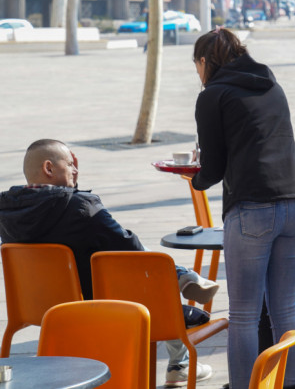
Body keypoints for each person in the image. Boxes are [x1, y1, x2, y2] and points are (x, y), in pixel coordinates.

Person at [0, 139, 220, 388]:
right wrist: (76, 193)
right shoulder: (81, 207)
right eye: (70, 164)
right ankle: (180, 353)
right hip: (97, 306)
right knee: (144, 266)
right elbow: (130, 246)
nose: (75, 170)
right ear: (49, 168)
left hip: (37, 308)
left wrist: (72, 186)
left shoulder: (7, 213)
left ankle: (181, 279)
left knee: (125, 260)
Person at [191, 28, 295, 389]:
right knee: (285, 308)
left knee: (244, 315)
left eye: (196, 65)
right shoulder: (270, 84)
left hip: (253, 207)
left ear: (205, 61)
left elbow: (212, 169)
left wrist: (193, 179)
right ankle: (290, 384)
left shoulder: (212, 95)